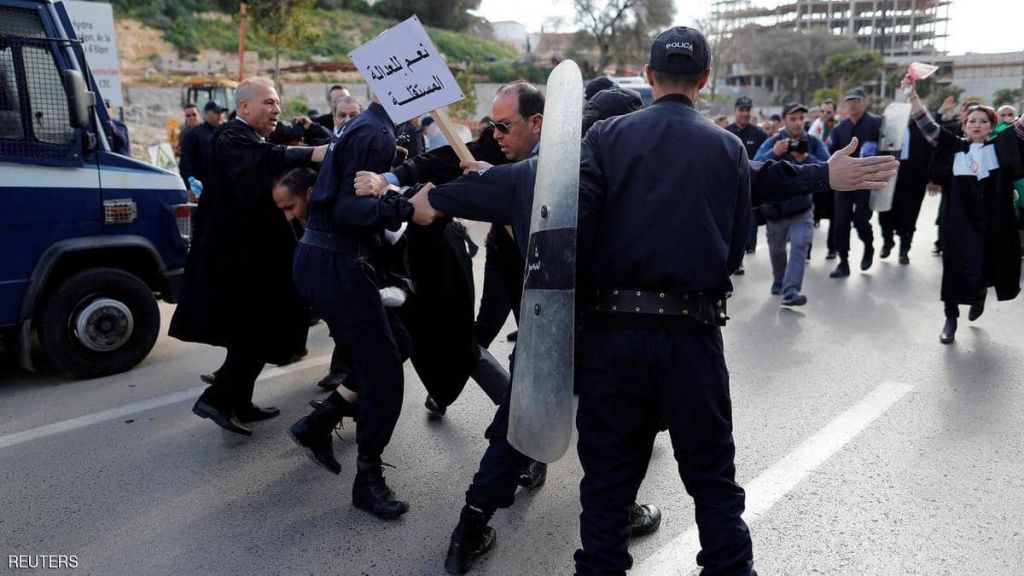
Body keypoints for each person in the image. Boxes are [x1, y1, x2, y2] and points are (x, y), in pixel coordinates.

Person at [401, 75, 899, 573]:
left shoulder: (562, 166)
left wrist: (424, 198)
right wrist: (821, 175)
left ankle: (474, 526)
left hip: (579, 334)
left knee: (559, 447)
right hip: (630, 334)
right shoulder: (632, 161)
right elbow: (757, 177)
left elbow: (471, 192)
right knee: (675, 466)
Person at [169, 77, 327, 436]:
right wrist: (312, 153)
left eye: (277, 103)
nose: (276, 109)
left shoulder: (252, 136)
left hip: (255, 256)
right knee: (255, 329)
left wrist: (314, 129)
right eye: (269, 102)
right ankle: (217, 399)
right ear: (244, 107)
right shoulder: (231, 137)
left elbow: (279, 141)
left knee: (255, 329)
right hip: (237, 260)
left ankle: (239, 402)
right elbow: (265, 159)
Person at [286, 93, 416, 520]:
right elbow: (346, 206)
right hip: (335, 262)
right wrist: (398, 206)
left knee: (397, 342)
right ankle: (367, 479)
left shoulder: (367, 127)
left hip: (325, 259)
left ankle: (318, 423)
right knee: (385, 374)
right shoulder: (376, 133)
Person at [906, 80, 1022, 344]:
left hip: (991, 223)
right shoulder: (951, 146)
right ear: (964, 125)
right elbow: (927, 126)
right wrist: (913, 98)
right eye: (972, 121)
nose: (977, 124)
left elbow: (1022, 127)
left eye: (983, 121)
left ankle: (979, 295)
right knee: (954, 271)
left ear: (991, 126)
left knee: (986, 264)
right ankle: (951, 318)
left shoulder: (1002, 146)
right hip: (957, 223)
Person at [754, 102, 829, 305]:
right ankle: (779, 280)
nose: (798, 123)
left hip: (802, 208)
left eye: (801, 119)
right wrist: (773, 153)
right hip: (776, 209)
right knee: (777, 250)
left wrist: (806, 158)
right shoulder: (773, 141)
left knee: (799, 245)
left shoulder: (812, 142)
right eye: (793, 119)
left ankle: (791, 290)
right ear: (784, 121)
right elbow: (755, 164)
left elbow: (828, 166)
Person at [828, 88, 882, 278]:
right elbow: (831, 153)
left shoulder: (876, 124)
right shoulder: (840, 128)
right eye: (849, 101)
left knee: (860, 220)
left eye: (857, 101)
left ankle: (868, 245)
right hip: (843, 181)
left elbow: (888, 148)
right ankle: (843, 262)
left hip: (866, 180)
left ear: (864, 103)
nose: (853, 104)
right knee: (840, 221)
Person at [878, 115, 932, 264]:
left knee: (909, 214)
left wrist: (931, 178)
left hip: (914, 177)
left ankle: (904, 249)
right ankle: (887, 242)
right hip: (889, 174)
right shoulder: (888, 127)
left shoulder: (923, 129)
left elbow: (932, 152)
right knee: (885, 212)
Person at [726, 96, 769, 270]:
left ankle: (743, 252)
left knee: (746, 222)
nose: (745, 113)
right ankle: (736, 261)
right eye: (741, 110)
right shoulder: (725, 133)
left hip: (751, 187)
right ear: (735, 111)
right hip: (730, 187)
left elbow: (766, 159)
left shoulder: (760, 135)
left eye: (748, 110)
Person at [809, 98, 838, 258]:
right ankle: (806, 250)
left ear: (834, 113)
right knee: (810, 215)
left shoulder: (838, 128)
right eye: (822, 111)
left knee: (834, 215)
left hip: (834, 177)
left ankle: (832, 249)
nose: (825, 115)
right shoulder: (815, 127)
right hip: (818, 175)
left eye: (829, 112)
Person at [179, 100, 225, 186]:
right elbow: (186, 164)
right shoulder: (192, 134)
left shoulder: (226, 132)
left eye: (221, 112)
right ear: (207, 114)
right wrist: (191, 185)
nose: (220, 115)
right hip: (203, 185)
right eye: (216, 112)